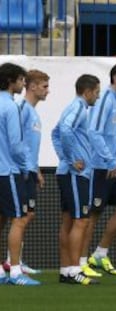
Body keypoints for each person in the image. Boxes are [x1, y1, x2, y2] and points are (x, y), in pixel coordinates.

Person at [81, 62, 116, 278]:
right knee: (92, 215)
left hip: (113, 166)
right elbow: (94, 132)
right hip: (99, 167)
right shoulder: (104, 99)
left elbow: (112, 134)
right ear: (115, 78)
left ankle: (100, 253)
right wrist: (108, 159)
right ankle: (82, 262)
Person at [51, 74, 100, 285]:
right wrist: (71, 160)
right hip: (75, 174)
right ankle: (73, 270)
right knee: (81, 221)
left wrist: (64, 158)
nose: (97, 97)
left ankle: (65, 270)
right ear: (87, 92)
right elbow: (63, 130)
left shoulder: (72, 107)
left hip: (69, 172)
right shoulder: (79, 107)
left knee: (69, 221)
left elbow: (55, 133)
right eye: (96, 92)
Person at [2, 70, 50, 276]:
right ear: (31, 86)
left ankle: (13, 261)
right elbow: (16, 144)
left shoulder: (28, 110)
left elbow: (27, 144)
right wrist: (27, 168)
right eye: (45, 86)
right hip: (17, 170)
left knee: (22, 216)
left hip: (24, 168)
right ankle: (14, 266)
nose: (48, 90)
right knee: (21, 217)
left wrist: (36, 168)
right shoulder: (18, 108)